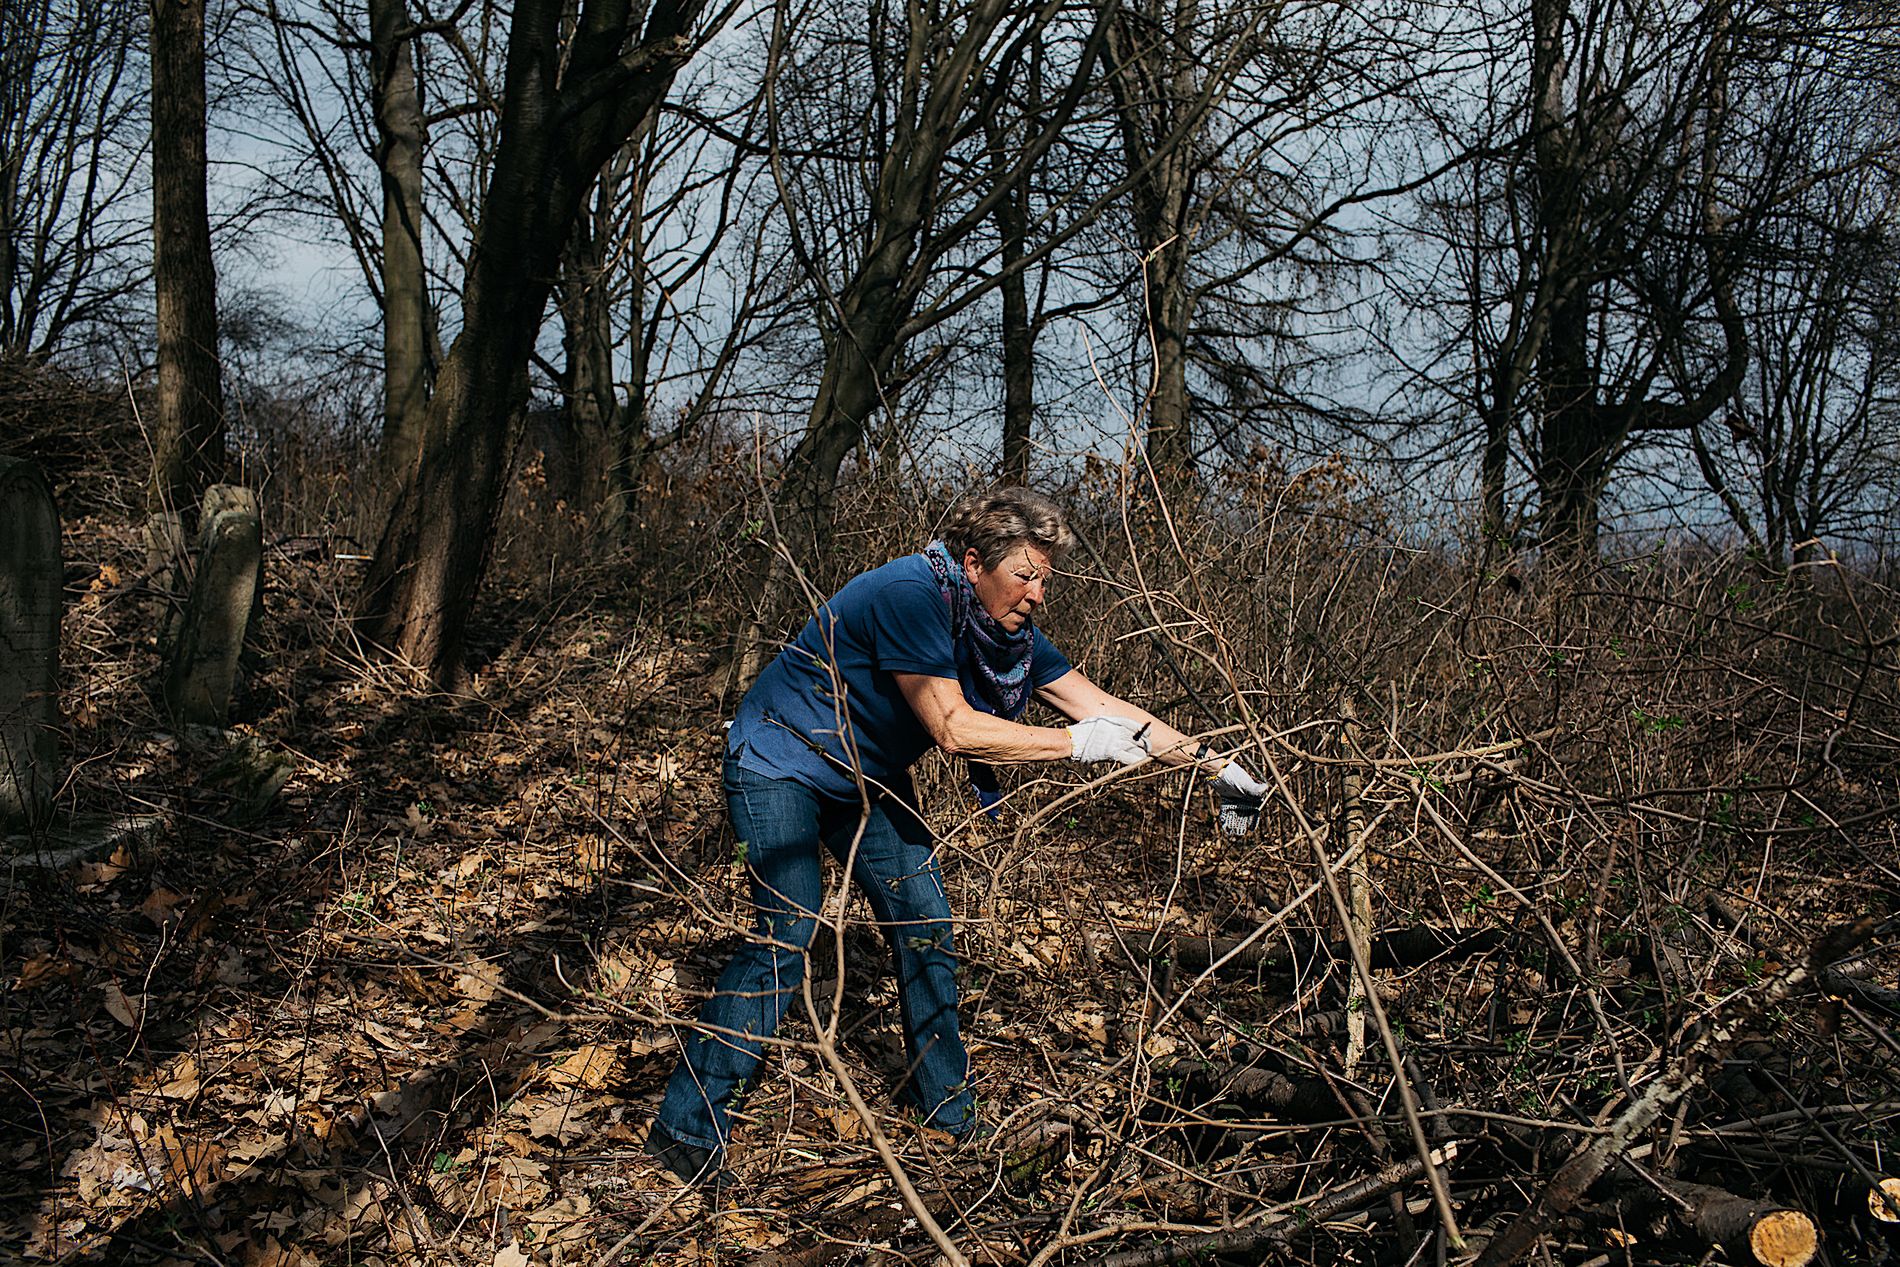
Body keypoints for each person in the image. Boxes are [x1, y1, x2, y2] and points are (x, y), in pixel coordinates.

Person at [645, 486, 1269, 1185]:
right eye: (1024, 575)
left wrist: (1220, 768)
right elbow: (952, 727)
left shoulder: (1003, 636)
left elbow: (1104, 708)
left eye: (1045, 580)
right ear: (974, 563)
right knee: (788, 928)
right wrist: (1074, 745)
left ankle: (945, 1111)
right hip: (779, 758)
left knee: (926, 919)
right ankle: (685, 1129)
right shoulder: (912, 595)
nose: (1036, 595)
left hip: (864, 774)